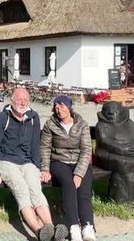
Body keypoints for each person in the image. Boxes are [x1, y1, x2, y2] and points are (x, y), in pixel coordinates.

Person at [0, 87, 68, 241]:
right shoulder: (4, 117)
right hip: (7, 161)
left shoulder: (33, 117)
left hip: (27, 162)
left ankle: (51, 228)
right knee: (22, 190)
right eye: (19, 99)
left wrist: (41, 168)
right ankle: (38, 232)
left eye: (25, 100)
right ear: (12, 101)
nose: (23, 103)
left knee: (36, 190)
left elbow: (35, 145)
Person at [40, 96, 96, 241]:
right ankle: (73, 226)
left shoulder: (82, 124)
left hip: (80, 162)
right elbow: (45, 148)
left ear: (69, 107)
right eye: (56, 107)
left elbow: (86, 150)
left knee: (83, 190)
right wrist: (45, 168)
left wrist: (78, 173)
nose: (59, 110)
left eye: (62, 106)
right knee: (69, 184)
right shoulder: (50, 125)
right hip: (60, 161)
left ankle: (87, 226)